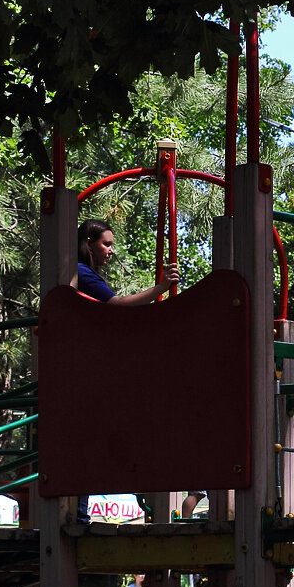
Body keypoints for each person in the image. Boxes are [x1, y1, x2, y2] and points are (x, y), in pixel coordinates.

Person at [75, 219, 181, 523]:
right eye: (106, 244)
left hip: (91, 365)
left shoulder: (84, 274)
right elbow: (119, 306)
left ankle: (85, 509)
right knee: (95, 434)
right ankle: (82, 511)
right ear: (89, 243)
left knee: (93, 435)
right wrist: (161, 287)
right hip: (89, 368)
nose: (111, 250)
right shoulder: (82, 274)